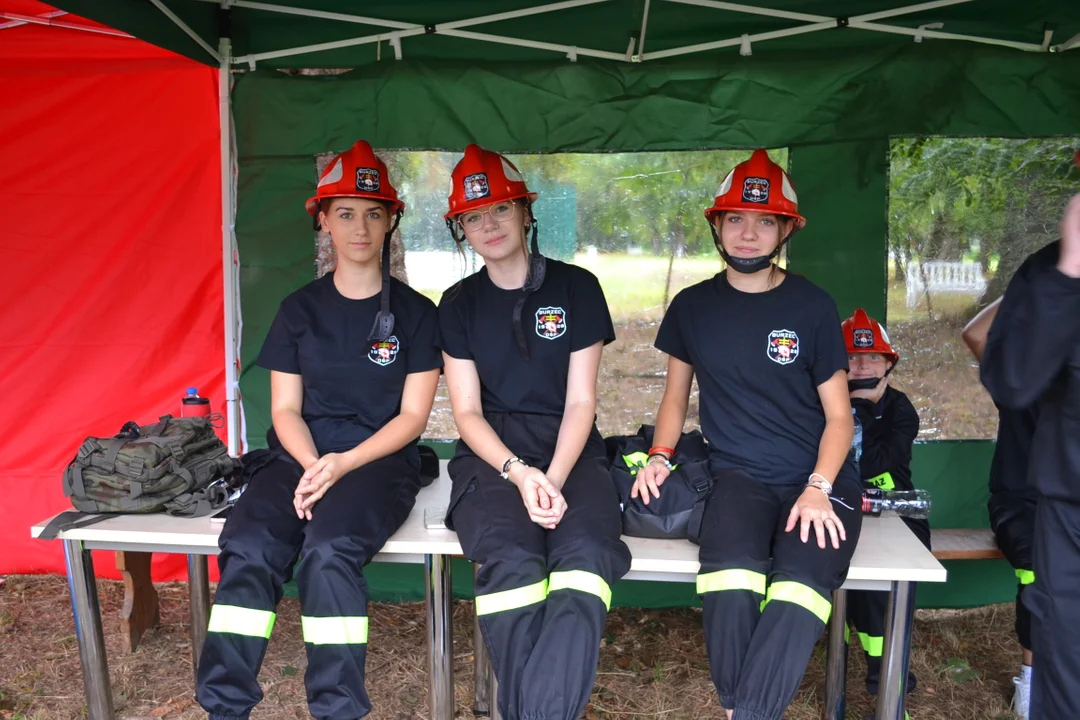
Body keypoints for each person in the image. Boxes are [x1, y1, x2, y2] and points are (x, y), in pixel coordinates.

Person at [195, 141, 442, 720]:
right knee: (249, 547)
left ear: (391, 222)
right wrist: (312, 465)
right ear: (323, 220)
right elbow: (284, 410)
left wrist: (344, 463)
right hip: (297, 461)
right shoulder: (297, 310)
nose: (361, 226)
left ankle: (336, 709)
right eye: (347, 212)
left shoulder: (417, 314)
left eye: (375, 212)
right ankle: (224, 707)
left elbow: (412, 418)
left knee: (329, 553)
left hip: (377, 463)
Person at [631, 149, 862, 719]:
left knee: (800, 584)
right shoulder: (692, 307)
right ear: (717, 225)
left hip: (819, 475)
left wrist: (817, 486)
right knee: (729, 578)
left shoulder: (810, 305)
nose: (749, 232)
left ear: (785, 229)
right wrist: (660, 455)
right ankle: (746, 710)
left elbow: (840, 418)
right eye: (735, 218)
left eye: (765, 221)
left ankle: (745, 712)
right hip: (738, 475)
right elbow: (675, 399)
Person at [437, 144, 631, 720]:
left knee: (588, 557)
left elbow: (581, 400)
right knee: (512, 561)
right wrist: (520, 474)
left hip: (570, 449)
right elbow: (466, 414)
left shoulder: (577, 288)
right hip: (492, 458)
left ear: (526, 212)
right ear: (461, 229)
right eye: (473, 216)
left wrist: (554, 477)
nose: (489, 225)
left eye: (500, 209)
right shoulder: (457, 304)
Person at [980, 193, 1080, 720]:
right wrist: (1069, 275)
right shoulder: (1049, 268)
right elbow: (1010, 378)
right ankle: (1031, 679)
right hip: (1064, 507)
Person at [842, 308, 929, 698]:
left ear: (888, 363)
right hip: (839, 512)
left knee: (880, 594)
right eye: (852, 357)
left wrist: (860, 408)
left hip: (897, 515)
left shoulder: (899, 408)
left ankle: (889, 689)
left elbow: (873, 462)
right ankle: (838, 662)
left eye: (873, 357)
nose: (862, 366)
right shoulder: (818, 403)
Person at [962, 297, 1038, 718]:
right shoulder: (1020, 381)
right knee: (1038, 570)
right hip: (1018, 504)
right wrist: (1033, 281)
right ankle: (1032, 681)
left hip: (1068, 507)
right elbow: (974, 333)